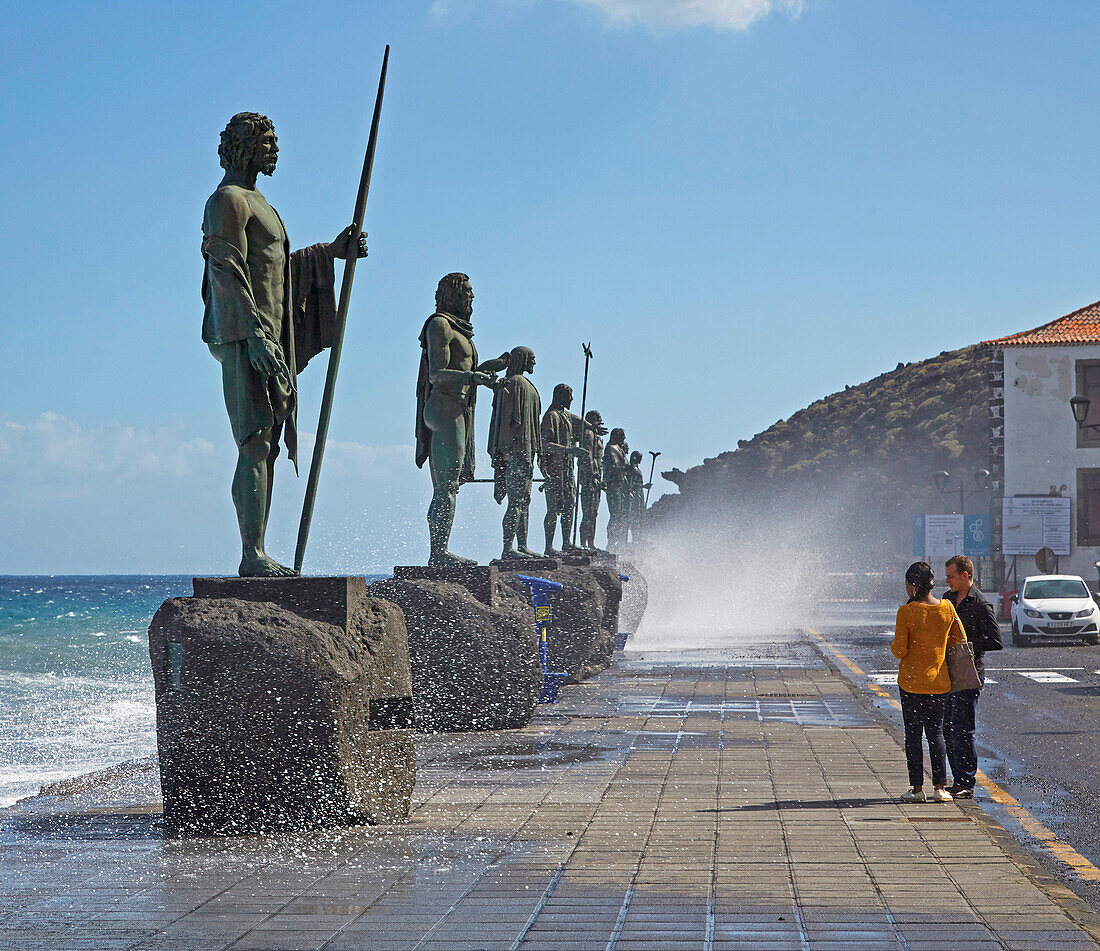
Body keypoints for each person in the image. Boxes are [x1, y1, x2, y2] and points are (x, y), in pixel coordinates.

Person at [202, 112, 366, 577]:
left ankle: (258, 550)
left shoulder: (261, 203)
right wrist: (254, 335)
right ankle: (251, 554)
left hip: (268, 337)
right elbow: (227, 271)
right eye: (268, 141)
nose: (276, 149)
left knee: (267, 446)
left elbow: (275, 270)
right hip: (245, 336)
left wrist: (329, 254)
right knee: (253, 441)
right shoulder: (228, 201)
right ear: (244, 145)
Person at [415, 273, 510, 566]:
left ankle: (440, 551)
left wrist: (487, 369)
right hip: (444, 407)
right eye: (467, 292)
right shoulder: (440, 324)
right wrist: (472, 377)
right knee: (445, 486)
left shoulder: (461, 331)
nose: (472, 297)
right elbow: (437, 374)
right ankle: (438, 553)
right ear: (453, 293)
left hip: (457, 408)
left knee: (450, 485)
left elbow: (465, 369)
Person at [891, 562, 966, 803]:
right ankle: (940, 788)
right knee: (936, 735)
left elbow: (899, 650)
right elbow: (959, 639)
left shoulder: (907, 612)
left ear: (913, 585)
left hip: (911, 684)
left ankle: (916, 789)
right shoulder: (947, 608)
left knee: (913, 736)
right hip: (939, 682)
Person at [943, 554, 1002, 799]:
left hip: (969, 673)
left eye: (951, 577)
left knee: (963, 729)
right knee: (947, 727)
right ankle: (956, 778)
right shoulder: (946, 600)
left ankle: (966, 782)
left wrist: (966, 644)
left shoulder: (980, 604)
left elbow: (996, 641)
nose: (947, 582)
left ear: (965, 576)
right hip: (947, 672)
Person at [487, 347, 542, 559]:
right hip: (517, 453)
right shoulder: (513, 384)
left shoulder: (527, 386)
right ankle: (508, 548)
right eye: (532, 359)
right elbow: (506, 424)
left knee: (524, 501)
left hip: (526, 454)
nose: (534, 363)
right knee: (517, 501)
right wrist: (505, 456)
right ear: (523, 359)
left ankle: (522, 546)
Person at [539, 384, 582, 556]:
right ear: (561, 396)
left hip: (567, 470)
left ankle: (566, 543)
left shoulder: (565, 416)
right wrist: (568, 450)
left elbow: (580, 421)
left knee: (569, 505)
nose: (572, 399)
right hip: (554, 470)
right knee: (553, 508)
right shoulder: (551, 416)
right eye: (570, 396)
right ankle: (549, 548)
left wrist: (593, 427)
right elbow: (545, 445)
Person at [578, 410, 606, 550]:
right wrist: (592, 474)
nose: (600, 423)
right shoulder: (588, 435)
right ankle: (583, 543)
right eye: (597, 421)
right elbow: (587, 457)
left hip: (597, 477)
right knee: (587, 512)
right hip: (590, 478)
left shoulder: (597, 437)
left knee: (594, 513)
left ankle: (591, 543)